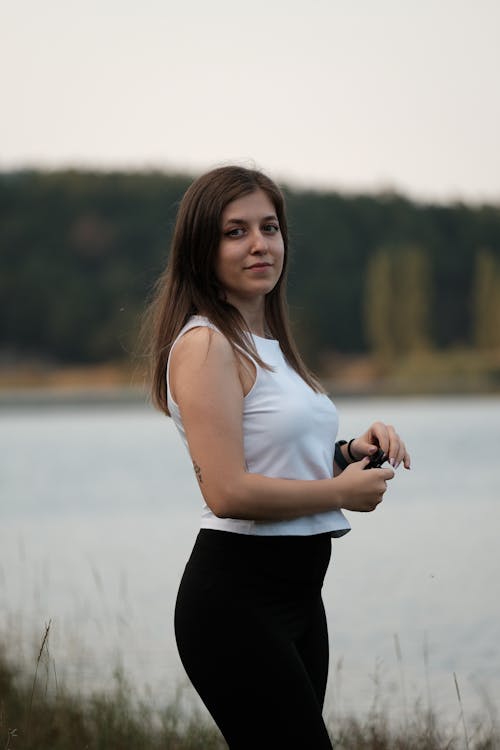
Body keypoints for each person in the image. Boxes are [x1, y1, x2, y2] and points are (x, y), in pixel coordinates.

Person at [144, 165, 410, 749]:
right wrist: (340, 494)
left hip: (298, 597)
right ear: (201, 250)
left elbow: (277, 453)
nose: (260, 243)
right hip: (236, 602)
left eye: (269, 226)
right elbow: (228, 491)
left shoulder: (269, 345)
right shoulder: (205, 343)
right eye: (235, 232)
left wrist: (346, 453)